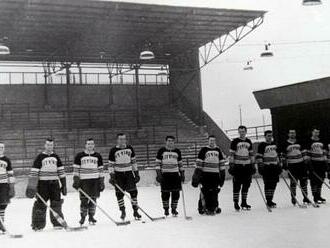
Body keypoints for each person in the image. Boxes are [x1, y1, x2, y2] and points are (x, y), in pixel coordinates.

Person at [25, 138, 67, 231]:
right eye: (48, 145)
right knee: (40, 204)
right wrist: (32, 187)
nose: (49, 147)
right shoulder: (40, 157)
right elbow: (34, 173)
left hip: (54, 184)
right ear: (45, 145)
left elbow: (61, 172)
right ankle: (37, 225)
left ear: (53, 146)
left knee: (56, 203)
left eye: (51, 145)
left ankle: (58, 224)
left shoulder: (56, 157)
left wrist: (64, 185)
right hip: (42, 185)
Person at [108, 133, 141, 220]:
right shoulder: (113, 150)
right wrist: (112, 176)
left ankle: (135, 211)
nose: (122, 141)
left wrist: (136, 174)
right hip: (119, 175)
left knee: (133, 193)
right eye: (120, 139)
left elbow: (134, 162)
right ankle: (123, 211)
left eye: (124, 139)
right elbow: (110, 165)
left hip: (129, 174)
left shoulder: (130, 148)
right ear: (117, 140)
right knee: (119, 194)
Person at [72, 138, 104, 225]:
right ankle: (83, 217)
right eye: (88, 144)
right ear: (85, 145)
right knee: (84, 200)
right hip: (84, 181)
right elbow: (76, 169)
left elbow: (101, 170)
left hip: (95, 181)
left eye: (92, 144)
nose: (90, 145)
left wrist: (102, 181)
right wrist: (76, 180)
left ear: (94, 145)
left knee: (93, 199)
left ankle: (91, 217)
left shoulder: (98, 156)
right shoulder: (79, 155)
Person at [192, 135, 226, 215]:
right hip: (205, 175)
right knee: (204, 192)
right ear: (208, 141)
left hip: (215, 175)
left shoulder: (218, 150)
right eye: (210, 140)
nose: (212, 142)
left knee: (215, 192)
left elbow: (221, 163)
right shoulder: (204, 150)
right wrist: (197, 176)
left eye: (213, 140)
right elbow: (199, 164)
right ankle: (202, 208)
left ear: (215, 141)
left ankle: (215, 207)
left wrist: (222, 176)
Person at [155, 136, 184, 217]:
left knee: (176, 193)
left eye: (172, 141)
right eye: (169, 141)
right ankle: (166, 209)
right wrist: (159, 174)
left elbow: (180, 163)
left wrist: (182, 173)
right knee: (165, 193)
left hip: (175, 174)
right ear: (166, 141)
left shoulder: (177, 151)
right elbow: (157, 164)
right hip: (165, 175)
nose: (170, 142)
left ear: (174, 142)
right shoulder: (161, 150)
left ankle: (174, 209)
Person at [228, 126, 255, 211]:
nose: (241, 133)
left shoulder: (248, 141)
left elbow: (251, 154)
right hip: (238, 166)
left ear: (246, 132)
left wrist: (253, 164)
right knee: (237, 185)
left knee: (246, 185)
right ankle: (236, 202)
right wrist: (231, 165)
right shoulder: (235, 141)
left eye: (243, 131)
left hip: (247, 166)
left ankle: (244, 202)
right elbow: (232, 155)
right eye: (240, 131)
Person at [281, 130, 310, 205]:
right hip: (292, 165)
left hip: (301, 164)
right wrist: (284, 163)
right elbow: (283, 155)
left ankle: (306, 198)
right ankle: (293, 197)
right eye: (291, 133)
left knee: (303, 182)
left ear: (295, 134)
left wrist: (306, 162)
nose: (292, 134)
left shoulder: (299, 142)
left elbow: (304, 152)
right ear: (288, 134)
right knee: (293, 182)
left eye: (293, 133)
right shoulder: (285, 143)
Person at [256, 131, 282, 208]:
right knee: (268, 184)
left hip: (275, 167)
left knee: (274, 184)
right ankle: (268, 201)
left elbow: (277, 156)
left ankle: (271, 199)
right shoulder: (262, 145)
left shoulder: (275, 145)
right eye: (268, 136)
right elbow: (259, 156)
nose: (269, 137)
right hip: (267, 167)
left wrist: (279, 165)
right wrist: (260, 166)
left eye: (271, 136)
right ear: (265, 136)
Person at [304, 128, 327, 204]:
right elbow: (307, 153)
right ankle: (315, 197)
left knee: (321, 179)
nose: (316, 133)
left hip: (321, 162)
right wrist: (308, 163)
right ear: (312, 132)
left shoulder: (322, 141)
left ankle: (319, 195)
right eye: (315, 132)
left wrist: (325, 161)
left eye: (318, 132)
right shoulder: (309, 141)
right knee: (314, 180)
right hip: (313, 162)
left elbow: (325, 152)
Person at [0, 142, 15, 233]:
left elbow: (10, 174)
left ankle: (2, 224)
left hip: (4, 185)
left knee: (3, 204)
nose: (0, 148)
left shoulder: (7, 160)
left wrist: (12, 187)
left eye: (2, 147)